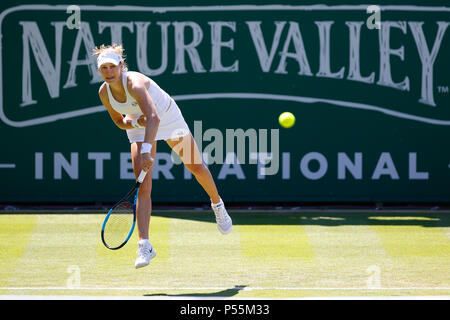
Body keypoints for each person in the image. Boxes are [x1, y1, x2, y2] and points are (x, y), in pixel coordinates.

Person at [93, 44, 232, 269]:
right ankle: (144, 245)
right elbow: (120, 121)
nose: (108, 72)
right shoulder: (104, 92)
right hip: (140, 124)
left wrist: (147, 150)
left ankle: (218, 205)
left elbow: (154, 117)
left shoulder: (134, 83)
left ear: (121, 66)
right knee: (143, 186)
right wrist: (137, 123)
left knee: (196, 166)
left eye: (112, 66)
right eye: (103, 68)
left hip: (166, 116)